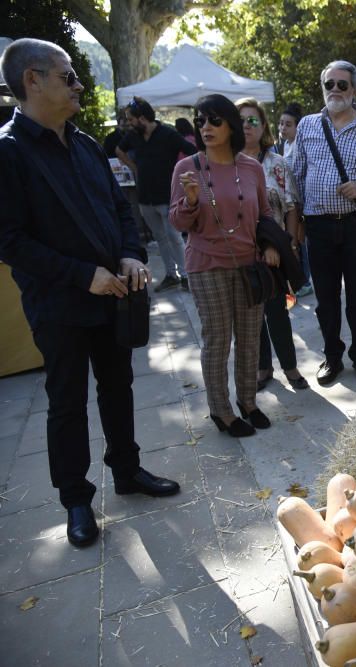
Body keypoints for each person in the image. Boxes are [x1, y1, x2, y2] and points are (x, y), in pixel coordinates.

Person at [0, 38, 180, 548]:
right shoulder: (8, 151)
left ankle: (127, 471)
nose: (79, 84)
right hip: (59, 303)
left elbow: (121, 213)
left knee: (118, 386)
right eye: (68, 75)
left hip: (113, 291)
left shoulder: (83, 144)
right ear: (32, 80)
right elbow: (9, 240)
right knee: (67, 401)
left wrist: (130, 254)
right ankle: (76, 499)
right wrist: (83, 276)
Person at [286, 60, 356, 385]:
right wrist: (295, 220)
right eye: (329, 84)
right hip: (319, 226)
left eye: (342, 84)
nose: (335, 90)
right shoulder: (307, 126)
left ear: (354, 89)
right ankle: (332, 357)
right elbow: (297, 172)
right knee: (325, 299)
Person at [170, 95, 277, 437]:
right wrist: (189, 201)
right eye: (200, 121)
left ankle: (248, 401)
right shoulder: (186, 168)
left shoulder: (251, 167)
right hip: (206, 265)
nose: (206, 127)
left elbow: (265, 214)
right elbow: (177, 222)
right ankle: (221, 410)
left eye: (214, 120)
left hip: (249, 264)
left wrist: (272, 246)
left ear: (230, 124)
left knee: (249, 338)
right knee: (218, 340)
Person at [234, 97, 309, 392]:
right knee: (251, 318)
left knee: (276, 312)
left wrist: (288, 245)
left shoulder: (277, 164)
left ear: (263, 125)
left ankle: (289, 367)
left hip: (274, 252)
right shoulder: (226, 165)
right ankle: (263, 367)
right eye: (240, 120)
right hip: (239, 253)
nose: (246, 126)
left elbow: (290, 206)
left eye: (253, 120)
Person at [116, 96, 196, 293]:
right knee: (160, 237)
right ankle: (171, 274)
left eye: (131, 119)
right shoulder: (133, 135)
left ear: (142, 118)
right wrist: (134, 167)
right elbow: (119, 150)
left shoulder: (168, 134)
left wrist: (183, 172)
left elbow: (192, 151)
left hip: (167, 195)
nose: (129, 123)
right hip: (145, 196)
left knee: (174, 235)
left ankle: (186, 275)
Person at [276, 103, 313, 298]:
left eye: (288, 124)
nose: (283, 128)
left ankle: (305, 281)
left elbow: (298, 176)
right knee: (297, 241)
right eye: (281, 124)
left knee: (301, 242)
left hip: (302, 203)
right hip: (292, 203)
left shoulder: (299, 144)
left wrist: (298, 208)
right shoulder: (286, 145)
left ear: (298, 126)